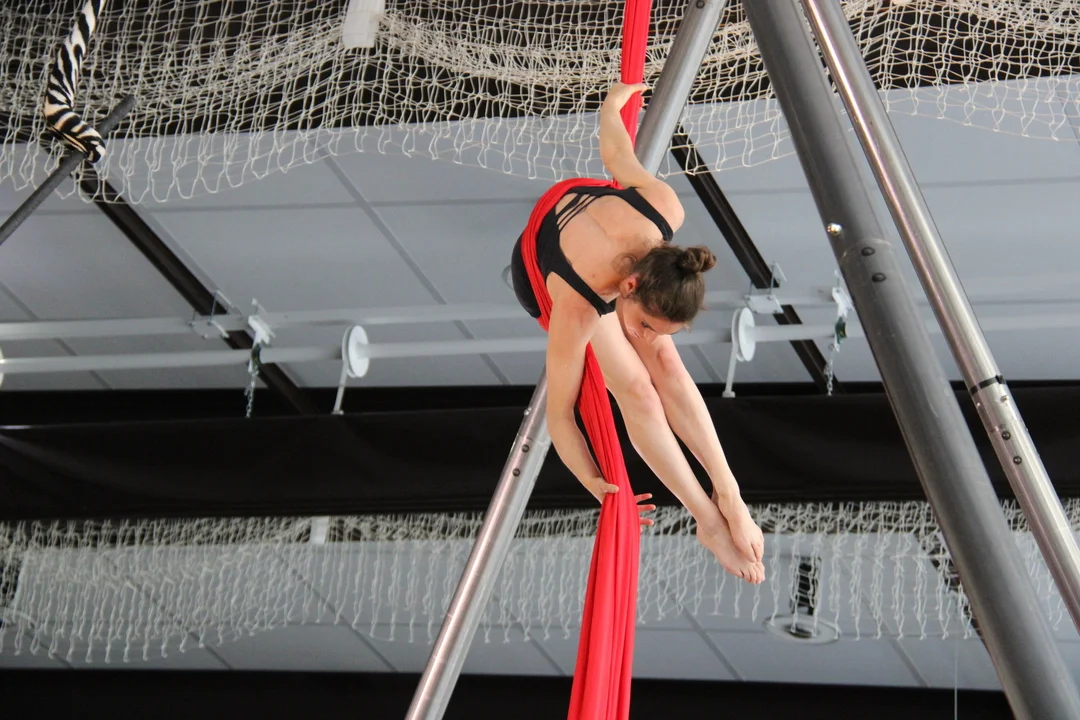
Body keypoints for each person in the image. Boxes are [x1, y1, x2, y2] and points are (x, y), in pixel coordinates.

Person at [509, 82, 765, 585]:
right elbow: (561, 416)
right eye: (645, 324)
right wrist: (594, 480)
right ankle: (707, 519)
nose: (643, 336)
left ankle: (730, 492)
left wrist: (613, 104)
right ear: (629, 288)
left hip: (600, 236)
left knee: (665, 363)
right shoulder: (579, 307)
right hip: (545, 271)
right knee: (638, 391)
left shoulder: (662, 207)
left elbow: (616, 152)